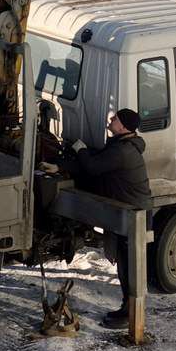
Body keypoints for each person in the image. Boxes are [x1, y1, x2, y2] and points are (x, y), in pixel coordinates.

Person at [67, 108, 152, 329]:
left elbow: (93, 167)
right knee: (125, 264)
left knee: (130, 266)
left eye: (115, 119)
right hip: (126, 213)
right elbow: (99, 161)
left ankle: (130, 314)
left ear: (123, 127)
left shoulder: (123, 151)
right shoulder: (120, 145)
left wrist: (81, 150)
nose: (111, 120)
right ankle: (127, 308)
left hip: (135, 216)